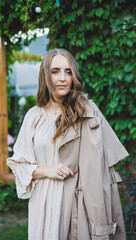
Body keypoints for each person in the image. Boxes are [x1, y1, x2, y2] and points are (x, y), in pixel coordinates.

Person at [7, 48, 129, 240]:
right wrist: (48, 170)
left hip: (78, 201)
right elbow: (19, 165)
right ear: (45, 75)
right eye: (55, 71)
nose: (62, 78)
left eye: (68, 71)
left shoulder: (87, 111)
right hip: (44, 201)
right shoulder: (34, 116)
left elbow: (103, 166)